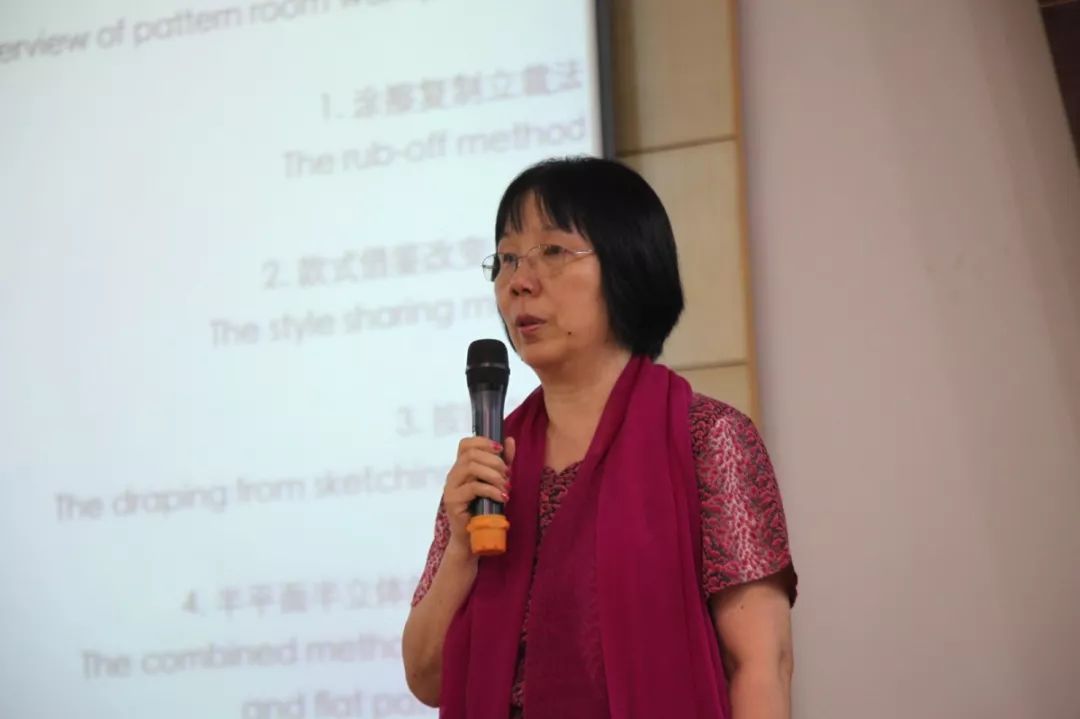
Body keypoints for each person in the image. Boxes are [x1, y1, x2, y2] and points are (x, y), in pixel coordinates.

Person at [402, 156, 797, 719]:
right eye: (507, 258)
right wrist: (462, 550)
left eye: (552, 251)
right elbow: (427, 680)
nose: (519, 282)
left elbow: (761, 664)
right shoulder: (492, 460)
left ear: (627, 265)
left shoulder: (708, 439)